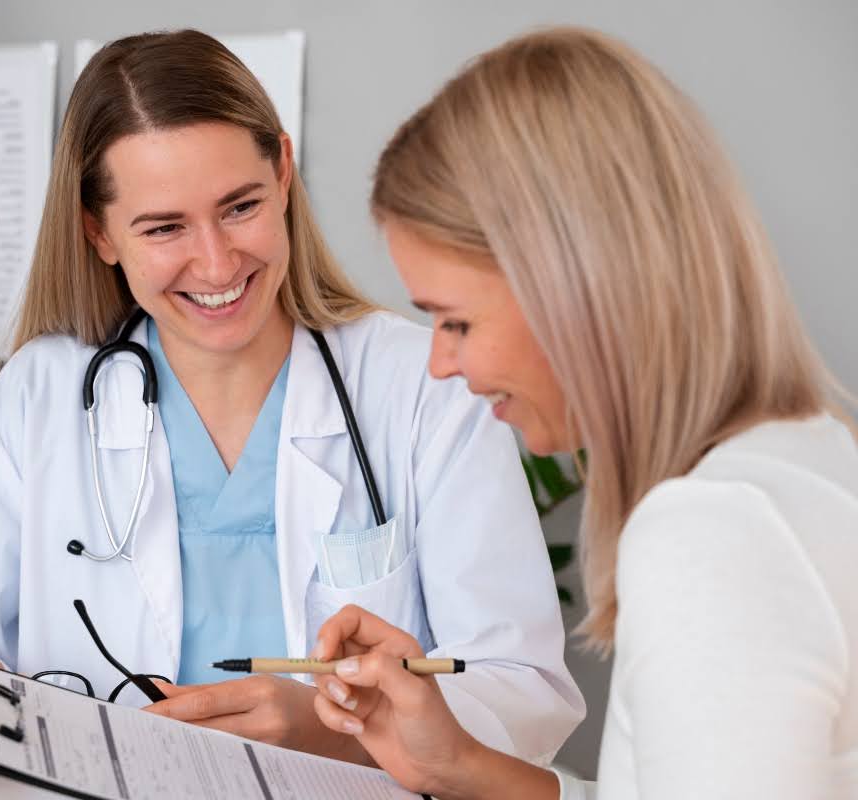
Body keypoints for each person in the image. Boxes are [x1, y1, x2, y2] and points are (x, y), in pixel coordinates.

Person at [0, 30, 584, 764]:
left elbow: (521, 688)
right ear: (98, 232)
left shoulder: (422, 383)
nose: (216, 261)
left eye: (239, 207)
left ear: (285, 172)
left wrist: (329, 729)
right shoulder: (38, 400)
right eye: (165, 227)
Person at [309, 26, 858, 799]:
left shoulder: (714, 534)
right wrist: (462, 767)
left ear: (574, 287)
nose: (441, 364)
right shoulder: (809, 458)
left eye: (456, 321)